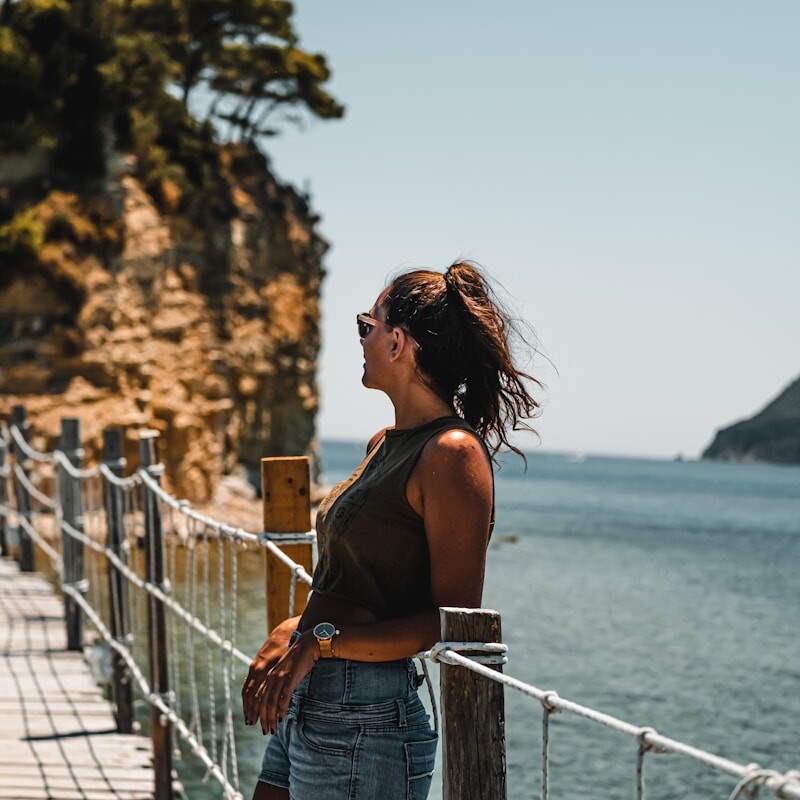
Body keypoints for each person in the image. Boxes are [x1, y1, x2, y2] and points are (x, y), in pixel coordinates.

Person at [241, 261, 540, 800]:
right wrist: (295, 629)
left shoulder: (451, 454)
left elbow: (452, 623)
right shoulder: (383, 443)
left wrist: (320, 642)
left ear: (398, 342)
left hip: (366, 720)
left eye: (367, 324)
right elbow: (352, 585)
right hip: (308, 692)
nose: (361, 339)